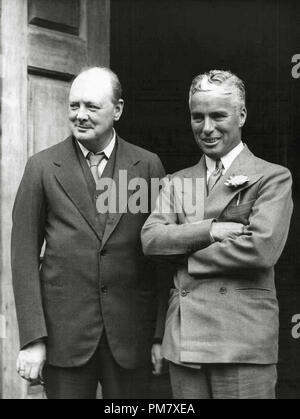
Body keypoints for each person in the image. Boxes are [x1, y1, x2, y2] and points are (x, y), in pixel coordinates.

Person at [11, 67, 167, 399]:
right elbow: (23, 257)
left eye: (92, 107)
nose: (80, 115)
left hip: (130, 339)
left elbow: (161, 257)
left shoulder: (148, 165)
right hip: (64, 339)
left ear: (118, 109)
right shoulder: (41, 167)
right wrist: (33, 339)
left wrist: (158, 335)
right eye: (74, 106)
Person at [141, 70, 293, 399]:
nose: (207, 128)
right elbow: (152, 239)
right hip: (186, 342)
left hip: (242, 341)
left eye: (218, 116)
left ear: (241, 115)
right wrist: (212, 230)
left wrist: (186, 253)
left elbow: (261, 249)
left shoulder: (272, 177)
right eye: (198, 117)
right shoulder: (176, 182)